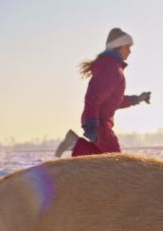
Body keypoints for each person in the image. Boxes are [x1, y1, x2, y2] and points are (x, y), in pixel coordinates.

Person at [55, 28, 151, 157]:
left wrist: (137, 99)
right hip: (99, 122)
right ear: (118, 46)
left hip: (99, 121)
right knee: (114, 161)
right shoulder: (111, 68)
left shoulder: (112, 67)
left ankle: (76, 144)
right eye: (127, 47)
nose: (130, 51)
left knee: (104, 159)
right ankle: (76, 144)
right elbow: (93, 97)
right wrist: (91, 123)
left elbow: (113, 101)